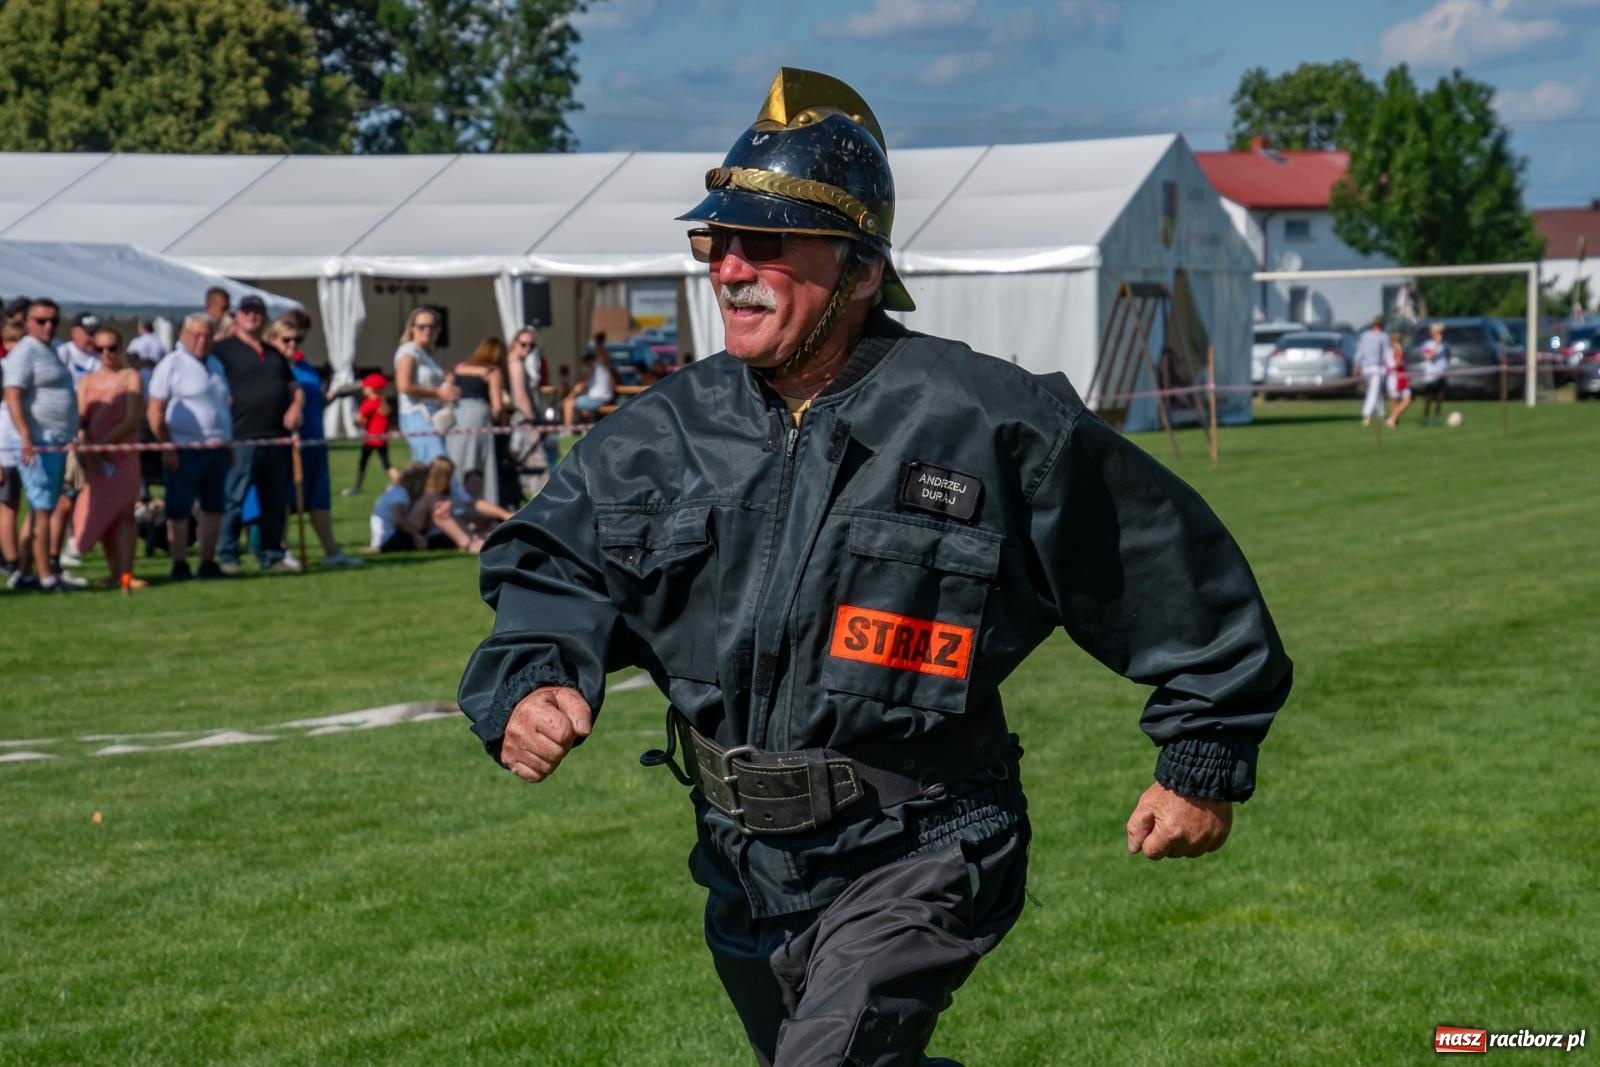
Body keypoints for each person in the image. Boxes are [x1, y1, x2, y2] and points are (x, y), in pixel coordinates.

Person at [459, 69, 1293, 1067]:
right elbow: (551, 565)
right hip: (742, 868)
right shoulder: (658, 432)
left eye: (766, 243)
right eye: (716, 241)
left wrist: (1200, 755)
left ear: (860, 271)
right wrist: (536, 671)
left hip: (921, 843)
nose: (730, 267)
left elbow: (1168, 573)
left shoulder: (992, 419)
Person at [213, 295, 303, 575]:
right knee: (234, 499)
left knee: (275, 500)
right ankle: (228, 555)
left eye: (257, 312)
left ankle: (271, 554)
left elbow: (293, 386)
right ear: (237, 316)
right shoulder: (222, 350)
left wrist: (296, 408)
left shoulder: (273, 352)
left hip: (275, 437)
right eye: (247, 312)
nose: (252, 316)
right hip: (242, 436)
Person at [266, 316, 363, 569]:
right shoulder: (271, 369)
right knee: (285, 498)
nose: (292, 345)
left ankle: (332, 551)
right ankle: (283, 550)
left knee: (319, 499)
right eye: (286, 340)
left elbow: (316, 401)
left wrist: (336, 395)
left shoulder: (305, 367)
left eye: (297, 340)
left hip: (314, 442)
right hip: (287, 444)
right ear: (273, 340)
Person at [2, 299, 82, 591]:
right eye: (41, 320)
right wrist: (25, 436)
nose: (48, 325)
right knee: (43, 510)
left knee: (41, 508)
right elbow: (12, 394)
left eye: (53, 320)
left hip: (55, 440)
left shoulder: (49, 350)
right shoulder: (25, 351)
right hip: (38, 442)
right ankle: (46, 576)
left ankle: (24, 573)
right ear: (28, 322)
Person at [147, 314, 231, 581]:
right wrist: (167, 446)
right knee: (179, 508)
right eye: (196, 335)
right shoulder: (171, 365)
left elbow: (222, 406)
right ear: (183, 334)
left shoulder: (216, 364)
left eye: (207, 335)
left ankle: (208, 562)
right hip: (184, 448)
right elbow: (155, 410)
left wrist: (228, 443)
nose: (202, 340)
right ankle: (180, 563)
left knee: (214, 507)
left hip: (216, 447)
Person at [74, 326, 145, 589]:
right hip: (95, 459)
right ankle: (114, 572)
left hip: (122, 456)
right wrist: (86, 446)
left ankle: (126, 574)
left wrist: (100, 445)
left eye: (112, 348)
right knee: (103, 517)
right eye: (100, 349)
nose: (107, 354)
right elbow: (80, 418)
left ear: (121, 348)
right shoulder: (87, 381)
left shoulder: (131, 377)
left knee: (125, 514)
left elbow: (130, 418)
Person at [394, 307, 459, 464]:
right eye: (421, 326)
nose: (427, 330)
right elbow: (403, 386)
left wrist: (448, 383)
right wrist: (439, 393)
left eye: (432, 326)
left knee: (426, 467)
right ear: (412, 328)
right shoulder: (409, 351)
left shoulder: (432, 353)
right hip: (416, 414)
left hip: (435, 416)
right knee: (437, 463)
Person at [446, 336, 506, 507]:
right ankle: (481, 503)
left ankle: (455, 499)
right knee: (478, 461)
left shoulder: (460, 368)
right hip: (478, 415)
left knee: (456, 457)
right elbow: (497, 405)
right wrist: (496, 420)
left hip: (457, 414)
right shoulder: (492, 371)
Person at [505, 326, 562, 498]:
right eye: (523, 344)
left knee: (525, 465)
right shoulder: (515, 363)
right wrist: (533, 424)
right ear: (514, 342)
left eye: (532, 345)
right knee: (538, 467)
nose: (527, 349)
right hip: (523, 422)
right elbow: (521, 396)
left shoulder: (516, 361)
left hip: (521, 422)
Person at [345, 372, 397, 496]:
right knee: (386, 464)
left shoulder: (368, 403)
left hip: (371, 439)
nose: (363, 388)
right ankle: (399, 482)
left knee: (363, 462)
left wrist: (357, 421)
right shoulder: (382, 402)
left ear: (372, 389)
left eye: (366, 387)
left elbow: (358, 419)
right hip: (382, 438)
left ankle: (358, 487)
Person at [368, 461, 433, 552]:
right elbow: (398, 519)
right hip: (388, 538)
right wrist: (416, 535)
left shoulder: (395, 489)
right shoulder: (399, 494)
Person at [560, 348, 615, 427]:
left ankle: (567, 430)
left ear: (588, 361)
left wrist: (570, 396)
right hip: (606, 398)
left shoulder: (592, 367)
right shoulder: (603, 368)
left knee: (567, 403)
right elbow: (612, 383)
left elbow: (581, 385)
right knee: (585, 409)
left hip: (598, 399)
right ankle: (585, 430)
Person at [1355, 314, 1391, 426]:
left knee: (1377, 391)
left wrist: (1357, 364)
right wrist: (1390, 365)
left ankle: (1381, 413)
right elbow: (1387, 353)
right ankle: (1367, 415)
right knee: (1373, 391)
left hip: (1366, 368)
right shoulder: (1383, 336)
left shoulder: (1364, 335)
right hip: (1377, 368)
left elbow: (1360, 352)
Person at [57, 312, 103, 385]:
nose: (93, 338)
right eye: (90, 334)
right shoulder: (62, 353)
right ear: (73, 333)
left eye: (96, 333)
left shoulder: (104, 356)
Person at [1418, 321, 1449, 426]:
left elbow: (1447, 356)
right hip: (1431, 375)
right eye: (1436, 332)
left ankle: (1437, 417)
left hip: (1441, 373)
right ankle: (1425, 417)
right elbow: (1430, 357)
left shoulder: (1445, 344)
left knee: (1440, 396)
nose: (1439, 334)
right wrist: (1436, 344)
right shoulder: (1427, 344)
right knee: (1429, 397)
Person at [1384, 329, 1413, 429]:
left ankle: (1391, 419)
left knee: (1407, 400)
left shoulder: (1398, 350)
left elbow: (1401, 364)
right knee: (1394, 402)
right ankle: (1393, 421)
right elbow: (1395, 365)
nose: (1398, 343)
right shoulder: (1390, 352)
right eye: (1396, 341)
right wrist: (1399, 355)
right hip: (1394, 379)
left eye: (1399, 341)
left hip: (1402, 378)